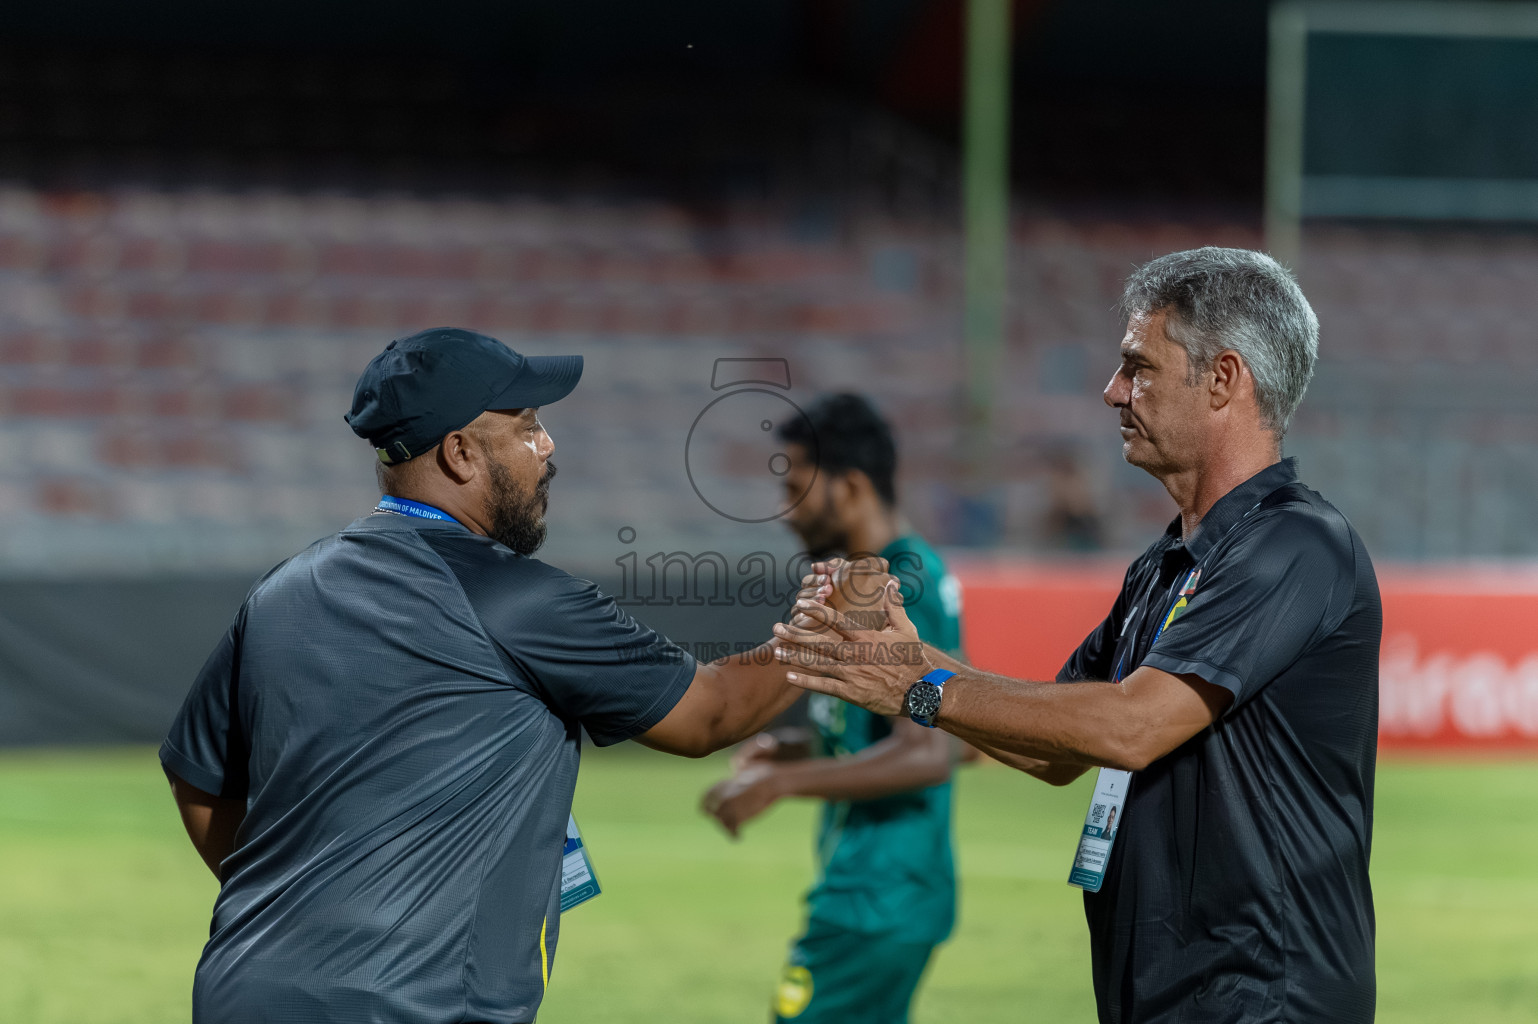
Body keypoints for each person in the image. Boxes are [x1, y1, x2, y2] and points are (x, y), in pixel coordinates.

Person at [771, 248, 1381, 1024]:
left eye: (1139, 367)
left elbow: (1133, 725)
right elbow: (1054, 746)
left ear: (1224, 379)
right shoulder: (1164, 566)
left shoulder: (1295, 544)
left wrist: (918, 683)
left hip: (1265, 998)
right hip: (1168, 993)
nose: (1112, 391)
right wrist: (904, 665)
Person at [159, 327, 816, 1024]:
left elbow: (197, 778)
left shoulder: (282, 592)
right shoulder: (516, 598)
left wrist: (297, 910)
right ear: (461, 452)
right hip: (411, 1008)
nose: (548, 445)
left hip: (242, 991)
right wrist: (835, 626)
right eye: (528, 426)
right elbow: (709, 714)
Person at [700, 393, 966, 1024]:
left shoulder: (899, 585)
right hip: (880, 891)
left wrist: (780, 783)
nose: (786, 510)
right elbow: (880, 724)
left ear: (848, 487)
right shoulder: (879, 576)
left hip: (878, 895)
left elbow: (929, 750)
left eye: (797, 486)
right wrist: (796, 748)